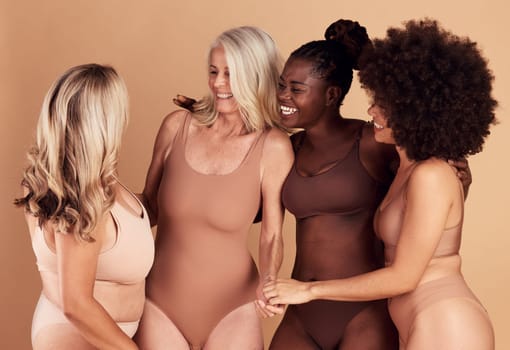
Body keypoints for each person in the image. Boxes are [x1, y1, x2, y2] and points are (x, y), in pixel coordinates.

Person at [263, 18, 496, 350]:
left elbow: (405, 276)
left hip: (444, 320)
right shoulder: (408, 168)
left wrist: (308, 290)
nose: (370, 110)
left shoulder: (430, 174)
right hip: (412, 319)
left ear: (414, 112)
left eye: (383, 105)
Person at [134, 26, 294, 350]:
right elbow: (148, 206)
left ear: (256, 78)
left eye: (231, 74)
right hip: (159, 303)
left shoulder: (274, 147)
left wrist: (268, 279)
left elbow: (272, 234)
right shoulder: (176, 126)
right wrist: (96, 201)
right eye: (213, 71)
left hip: (233, 308)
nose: (218, 83)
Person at [14, 64, 154, 349]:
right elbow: (76, 305)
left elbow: (138, 221)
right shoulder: (77, 198)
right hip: (75, 337)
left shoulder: (96, 184)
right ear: (105, 121)